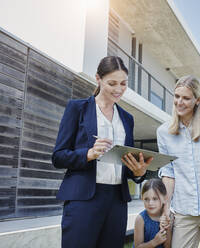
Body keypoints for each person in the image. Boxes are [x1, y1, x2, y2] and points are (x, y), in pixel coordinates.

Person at [52, 56, 152, 248]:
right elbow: (58, 156)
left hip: (117, 201)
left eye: (123, 83)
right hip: (84, 199)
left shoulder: (127, 118)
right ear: (98, 78)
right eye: (112, 83)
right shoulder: (77, 108)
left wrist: (139, 173)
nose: (118, 89)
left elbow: (127, 164)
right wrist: (88, 154)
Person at [157, 75, 200, 248]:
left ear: (198, 100)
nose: (179, 102)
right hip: (184, 210)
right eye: (177, 96)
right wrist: (166, 209)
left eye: (186, 98)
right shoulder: (163, 132)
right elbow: (169, 174)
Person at [133, 179, 172, 248]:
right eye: (146, 199)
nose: (150, 203)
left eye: (155, 199)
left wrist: (167, 228)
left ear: (165, 198)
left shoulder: (168, 217)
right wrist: (154, 242)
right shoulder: (140, 219)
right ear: (142, 198)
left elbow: (167, 246)